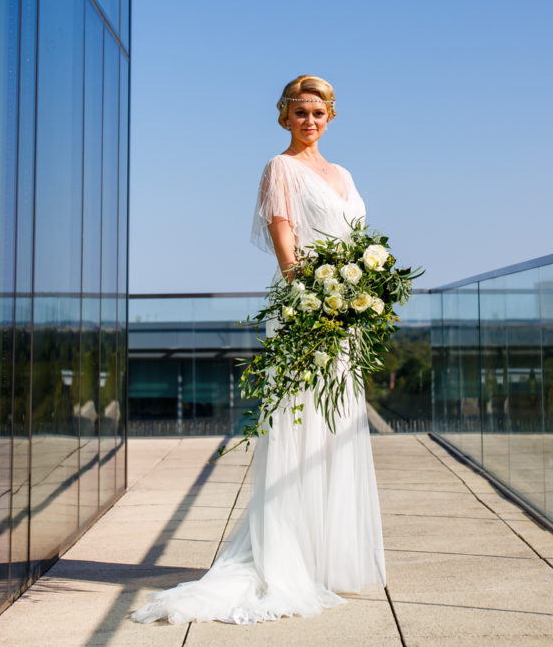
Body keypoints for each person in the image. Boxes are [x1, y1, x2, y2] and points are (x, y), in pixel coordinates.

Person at [132, 75, 386, 625]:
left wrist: (357, 300)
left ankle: (325, 557)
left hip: (345, 316)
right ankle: (288, 557)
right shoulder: (280, 168)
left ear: (331, 117)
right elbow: (286, 242)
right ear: (284, 116)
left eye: (318, 112)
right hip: (304, 311)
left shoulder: (343, 174)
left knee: (336, 428)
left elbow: (360, 244)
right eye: (300, 112)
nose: (309, 120)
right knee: (300, 431)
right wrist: (309, 304)